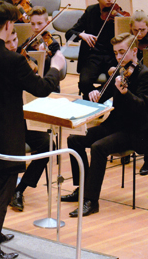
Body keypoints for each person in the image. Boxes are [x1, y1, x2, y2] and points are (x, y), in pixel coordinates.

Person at [0, 0, 64, 259]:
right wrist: (56, 68)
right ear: (8, 24)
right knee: (0, 189)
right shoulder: (12, 60)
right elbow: (40, 88)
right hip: (5, 134)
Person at [62, 33, 148, 216]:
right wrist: (95, 93)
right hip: (115, 125)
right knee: (74, 140)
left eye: (122, 52)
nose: (118, 57)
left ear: (134, 51)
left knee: (98, 148)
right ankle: (82, 188)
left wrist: (126, 93)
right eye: (116, 53)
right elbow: (104, 93)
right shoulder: (120, 70)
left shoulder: (144, 75)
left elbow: (142, 108)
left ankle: (91, 201)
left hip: (135, 132)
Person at [4, 29, 54, 212]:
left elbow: (41, 84)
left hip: (25, 118)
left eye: (15, 40)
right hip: (7, 123)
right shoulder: (4, 63)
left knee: (49, 145)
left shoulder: (22, 60)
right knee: (15, 149)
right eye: (8, 42)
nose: (12, 45)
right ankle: (7, 189)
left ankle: (20, 189)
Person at [66, 0, 117, 100]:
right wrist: (81, 35)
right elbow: (70, 35)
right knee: (84, 82)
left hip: (112, 56)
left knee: (118, 81)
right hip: (93, 55)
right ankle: (96, 99)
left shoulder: (117, 14)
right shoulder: (90, 11)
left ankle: (93, 99)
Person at [19, 6, 61, 75]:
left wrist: (44, 56)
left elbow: (52, 70)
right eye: (32, 24)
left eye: (39, 23)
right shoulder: (30, 40)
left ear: (47, 23)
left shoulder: (54, 45)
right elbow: (18, 52)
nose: (36, 27)